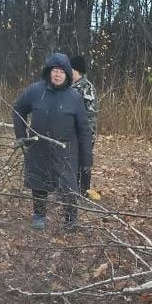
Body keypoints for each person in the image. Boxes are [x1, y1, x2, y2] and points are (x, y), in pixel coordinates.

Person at [13, 52, 93, 231]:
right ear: (49, 72)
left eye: (62, 72)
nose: (58, 75)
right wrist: (21, 135)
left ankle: (71, 220)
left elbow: (84, 131)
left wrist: (86, 160)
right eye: (55, 71)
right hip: (39, 145)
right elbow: (18, 109)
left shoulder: (74, 97)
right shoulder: (35, 91)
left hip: (66, 149)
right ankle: (39, 214)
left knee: (69, 186)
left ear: (67, 75)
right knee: (39, 180)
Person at [69, 54, 98, 197]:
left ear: (77, 70)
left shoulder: (87, 87)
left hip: (85, 133)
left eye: (70, 69)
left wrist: (87, 134)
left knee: (84, 162)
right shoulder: (69, 86)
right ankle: (71, 190)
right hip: (70, 133)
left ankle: (84, 191)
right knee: (71, 161)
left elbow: (90, 114)